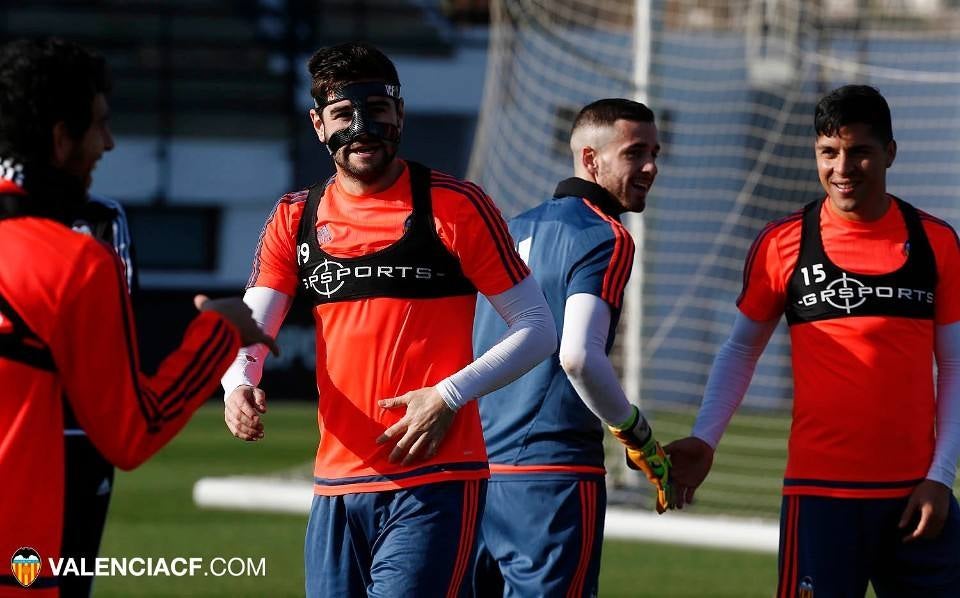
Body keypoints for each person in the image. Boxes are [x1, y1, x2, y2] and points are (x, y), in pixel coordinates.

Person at [220, 42, 556, 597]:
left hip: (436, 479)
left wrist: (447, 396)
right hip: (334, 486)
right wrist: (239, 384)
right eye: (343, 115)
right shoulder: (293, 216)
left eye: (377, 110)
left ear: (399, 114)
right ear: (317, 124)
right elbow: (251, 329)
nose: (362, 129)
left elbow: (537, 328)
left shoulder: (456, 206)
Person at [0, 38, 276, 596]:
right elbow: (131, 432)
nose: (109, 142)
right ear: (60, 139)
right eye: (99, 125)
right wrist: (221, 331)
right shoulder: (74, 261)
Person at [667, 85, 960, 597]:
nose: (843, 168)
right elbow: (740, 350)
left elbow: (955, 366)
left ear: (890, 153)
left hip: (917, 497)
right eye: (829, 152)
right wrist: (706, 437)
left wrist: (941, 476)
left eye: (860, 152)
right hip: (820, 497)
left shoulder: (937, 241)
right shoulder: (783, 242)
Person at [471, 98, 674, 597]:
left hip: (476, 473)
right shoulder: (605, 235)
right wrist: (639, 437)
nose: (650, 167)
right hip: (551, 477)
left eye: (655, 152)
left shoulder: (510, 227)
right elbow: (579, 357)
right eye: (634, 153)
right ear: (590, 159)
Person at [61, 193, 138, 598]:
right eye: (98, 128)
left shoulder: (103, 216)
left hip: (82, 430)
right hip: (18, 428)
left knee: (70, 576)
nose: (107, 144)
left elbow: (118, 309)